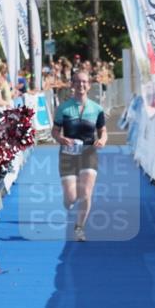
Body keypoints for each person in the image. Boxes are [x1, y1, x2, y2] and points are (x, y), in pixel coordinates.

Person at [51, 69, 107, 242]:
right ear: (72, 85)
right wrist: (60, 138)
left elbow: (102, 131)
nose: (81, 85)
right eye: (77, 82)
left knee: (85, 193)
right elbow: (54, 131)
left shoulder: (97, 109)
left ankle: (79, 228)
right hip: (68, 154)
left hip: (88, 153)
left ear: (89, 85)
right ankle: (68, 201)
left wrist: (103, 140)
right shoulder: (63, 108)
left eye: (84, 82)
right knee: (71, 198)